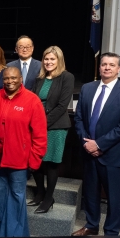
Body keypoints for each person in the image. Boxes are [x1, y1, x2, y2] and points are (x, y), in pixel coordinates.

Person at [73, 52, 120, 236]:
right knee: (91, 193)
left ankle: (111, 233)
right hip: (88, 152)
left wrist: (99, 145)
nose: (107, 67)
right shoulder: (87, 88)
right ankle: (91, 225)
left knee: (114, 198)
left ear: (119, 69)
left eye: (111, 65)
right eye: (104, 64)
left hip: (113, 154)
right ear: (99, 67)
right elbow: (78, 119)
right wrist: (87, 143)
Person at [0, 67, 47, 237]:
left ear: (21, 79)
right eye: (7, 79)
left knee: (17, 198)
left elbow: (40, 135)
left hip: (19, 162)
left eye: (14, 78)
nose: (10, 81)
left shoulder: (32, 101)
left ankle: (17, 237)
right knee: (0, 196)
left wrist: (34, 162)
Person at [28, 46, 75, 214]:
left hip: (55, 126)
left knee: (51, 163)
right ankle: (40, 193)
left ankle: (49, 198)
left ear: (59, 60)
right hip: (36, 125)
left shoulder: (67, 77)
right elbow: (32, 100)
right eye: (46, 59)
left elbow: (62, 106)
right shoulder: (39, 78)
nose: (48, 62)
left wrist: (41, 123)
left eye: (52, 59)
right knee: (36, 161)